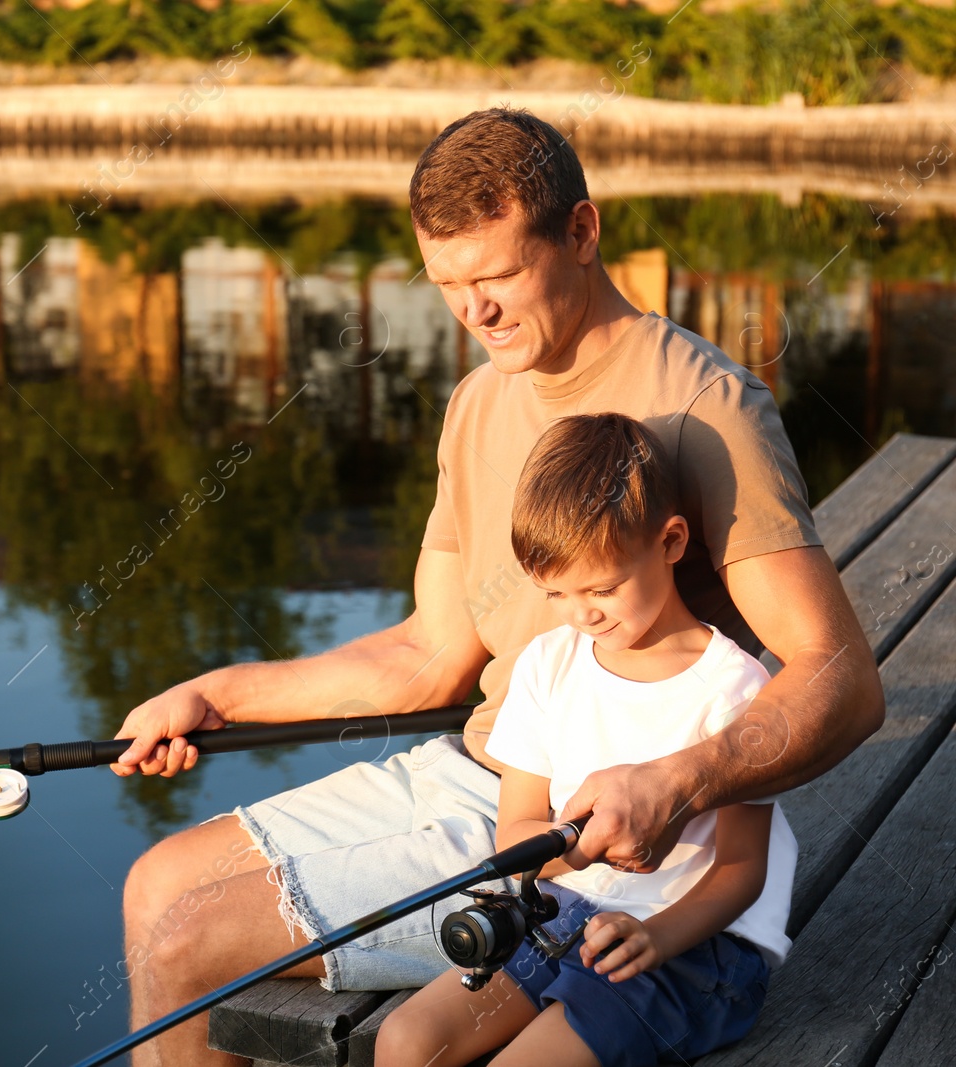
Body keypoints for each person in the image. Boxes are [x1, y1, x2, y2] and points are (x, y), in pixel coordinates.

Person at [113, 107, 882, 1067]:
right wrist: (218, 692)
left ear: (582, 232)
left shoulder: (705, 408)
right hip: (480, 766)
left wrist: (678, 783)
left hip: (583, 837)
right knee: (155, 886)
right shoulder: (479, 399)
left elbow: (841, 680)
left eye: (498, 276)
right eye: (447, 285)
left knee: (190, 938)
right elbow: (428, 654)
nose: (473, 312)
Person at [373, 413, 793, 1067]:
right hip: (564, 908)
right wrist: (571, 852)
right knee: (404, 1040)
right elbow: (516, 829)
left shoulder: (735, 688)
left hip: (691, 944)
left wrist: (654, 935)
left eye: (603, 586)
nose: (583, 612)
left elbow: (742, 870)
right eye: (557, 592)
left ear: (672, 541)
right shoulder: (547, 664)